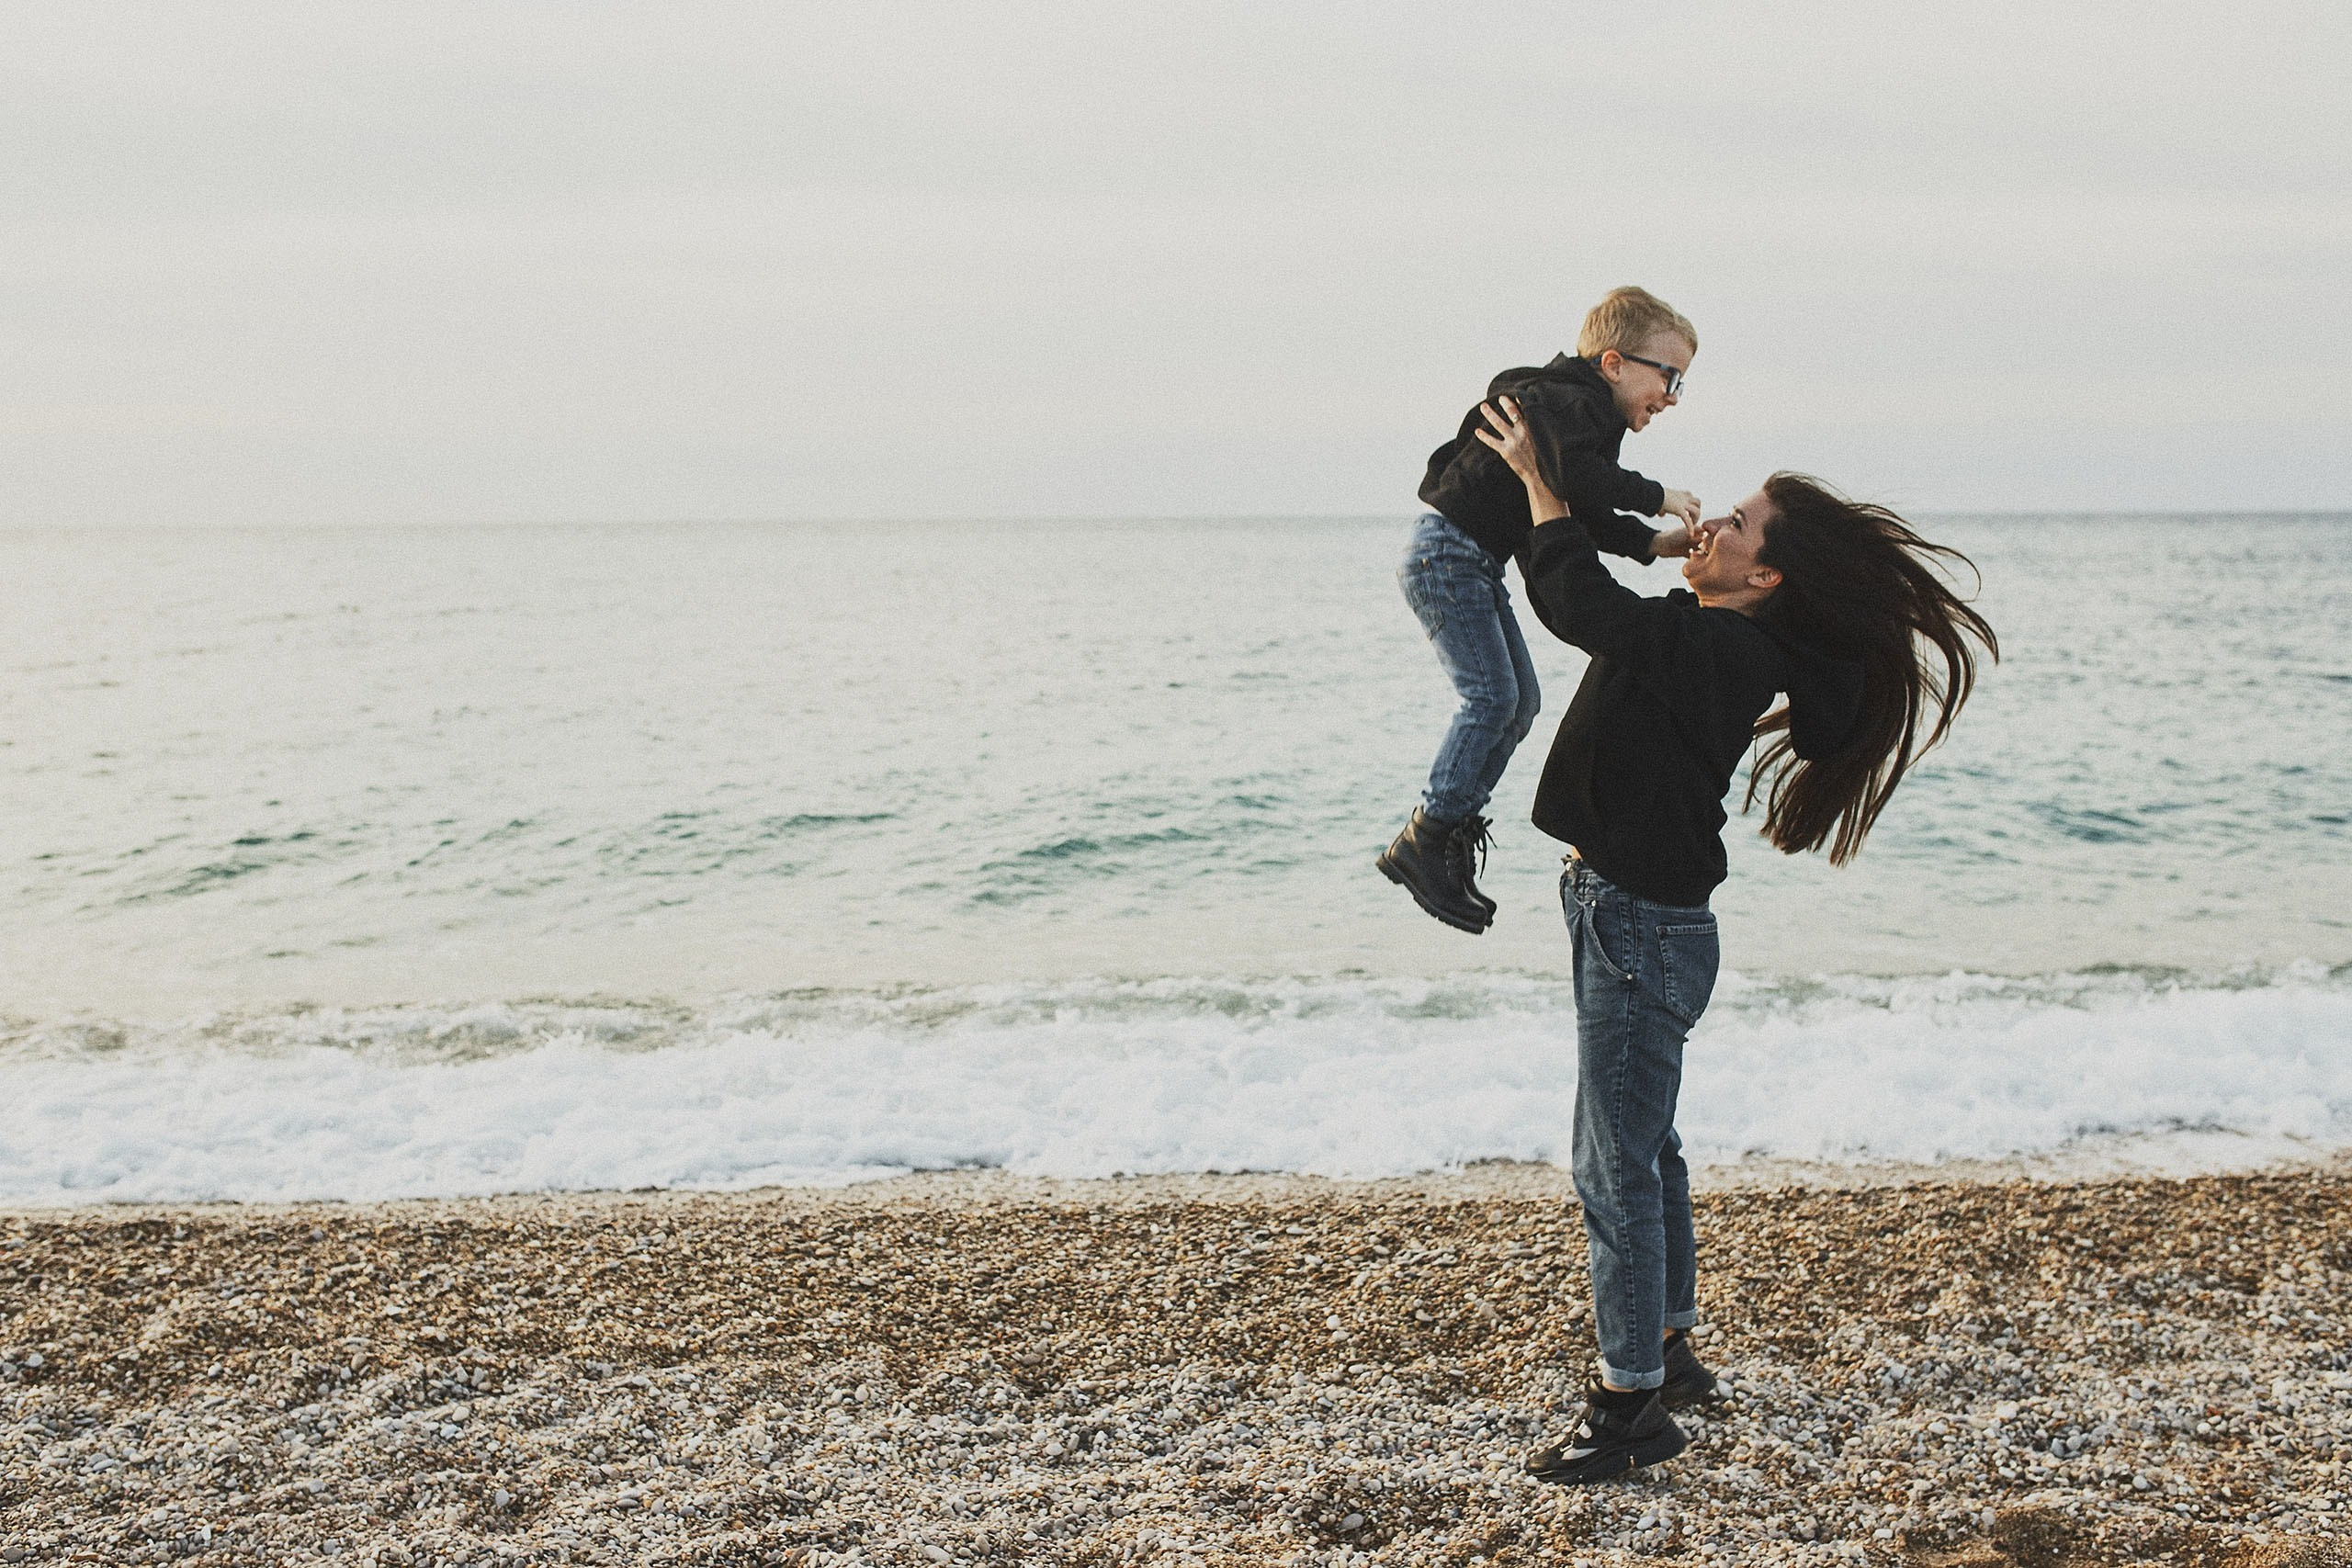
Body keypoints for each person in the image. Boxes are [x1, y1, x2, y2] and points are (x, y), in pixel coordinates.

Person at [1473, 394, 1997, 1484]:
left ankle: (1630, 1408)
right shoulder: (1712, 634)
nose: (1712, 527)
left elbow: (1573, 602)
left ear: (1762, 580)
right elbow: (1612, 603)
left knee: (1612, 1164)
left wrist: (1539, 485)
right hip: (1629, 914)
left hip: (1636, 922)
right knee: (1644, 1145)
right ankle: (1666, 1344)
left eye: (1737, 527)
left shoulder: (1712, 643)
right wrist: (1644, 529)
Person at [1378, 287, 1705, 935]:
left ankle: (1441, 837)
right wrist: (1657, 497)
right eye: (1668, 377)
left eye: (1680, 385)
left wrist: (1648, 544)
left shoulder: (1575, 421)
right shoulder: (1566, 404)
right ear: (1614, 363)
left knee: (1519, 701)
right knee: (1492, 700)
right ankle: (1428, 836)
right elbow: (1581, 482)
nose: (1670, 397)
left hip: (1469, 560)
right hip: (1447, 555)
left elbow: (1574, 505)